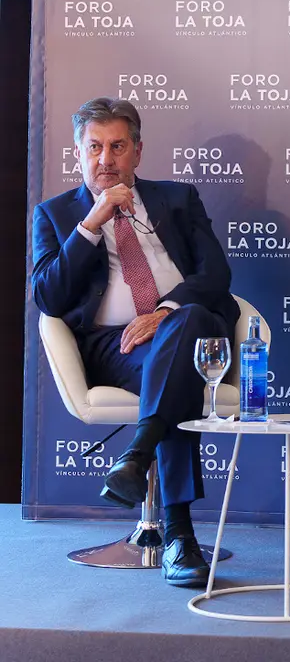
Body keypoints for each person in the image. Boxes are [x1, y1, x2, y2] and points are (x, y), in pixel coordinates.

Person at [32, 98, 240, 587]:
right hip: (114, 349)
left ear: (138, 152)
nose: (106, 159)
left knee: (184, 322)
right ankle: (180, 538)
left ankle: (139, 452)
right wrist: (92, 224)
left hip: (190, 330)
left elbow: (216, 274)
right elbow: (47, 296)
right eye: (95, 147)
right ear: (79, 152)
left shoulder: (178, 198)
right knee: (173, 371)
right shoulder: (57, 214)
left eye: (118, 146)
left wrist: (163, 314)